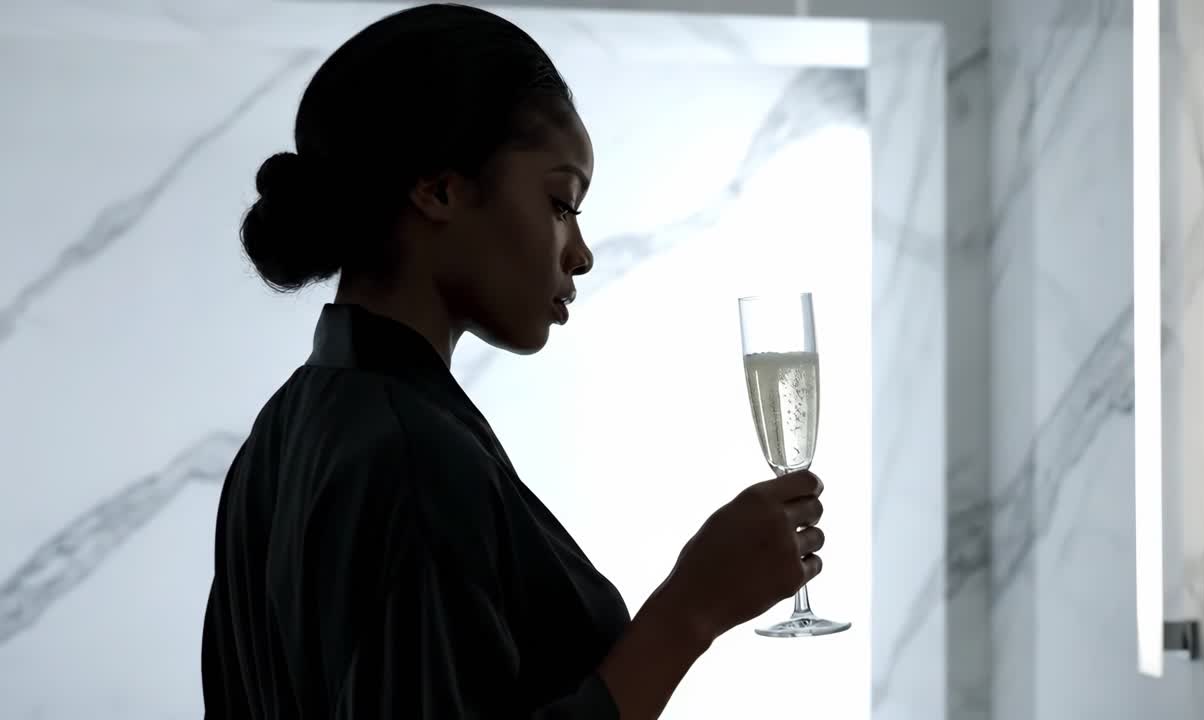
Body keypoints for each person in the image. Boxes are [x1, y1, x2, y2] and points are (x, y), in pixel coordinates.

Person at [200, 4, 827, 719]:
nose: (582, 254)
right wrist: (688, 613)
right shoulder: (411, 454)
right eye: (562, 203)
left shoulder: (279, 436)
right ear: (439, 189)